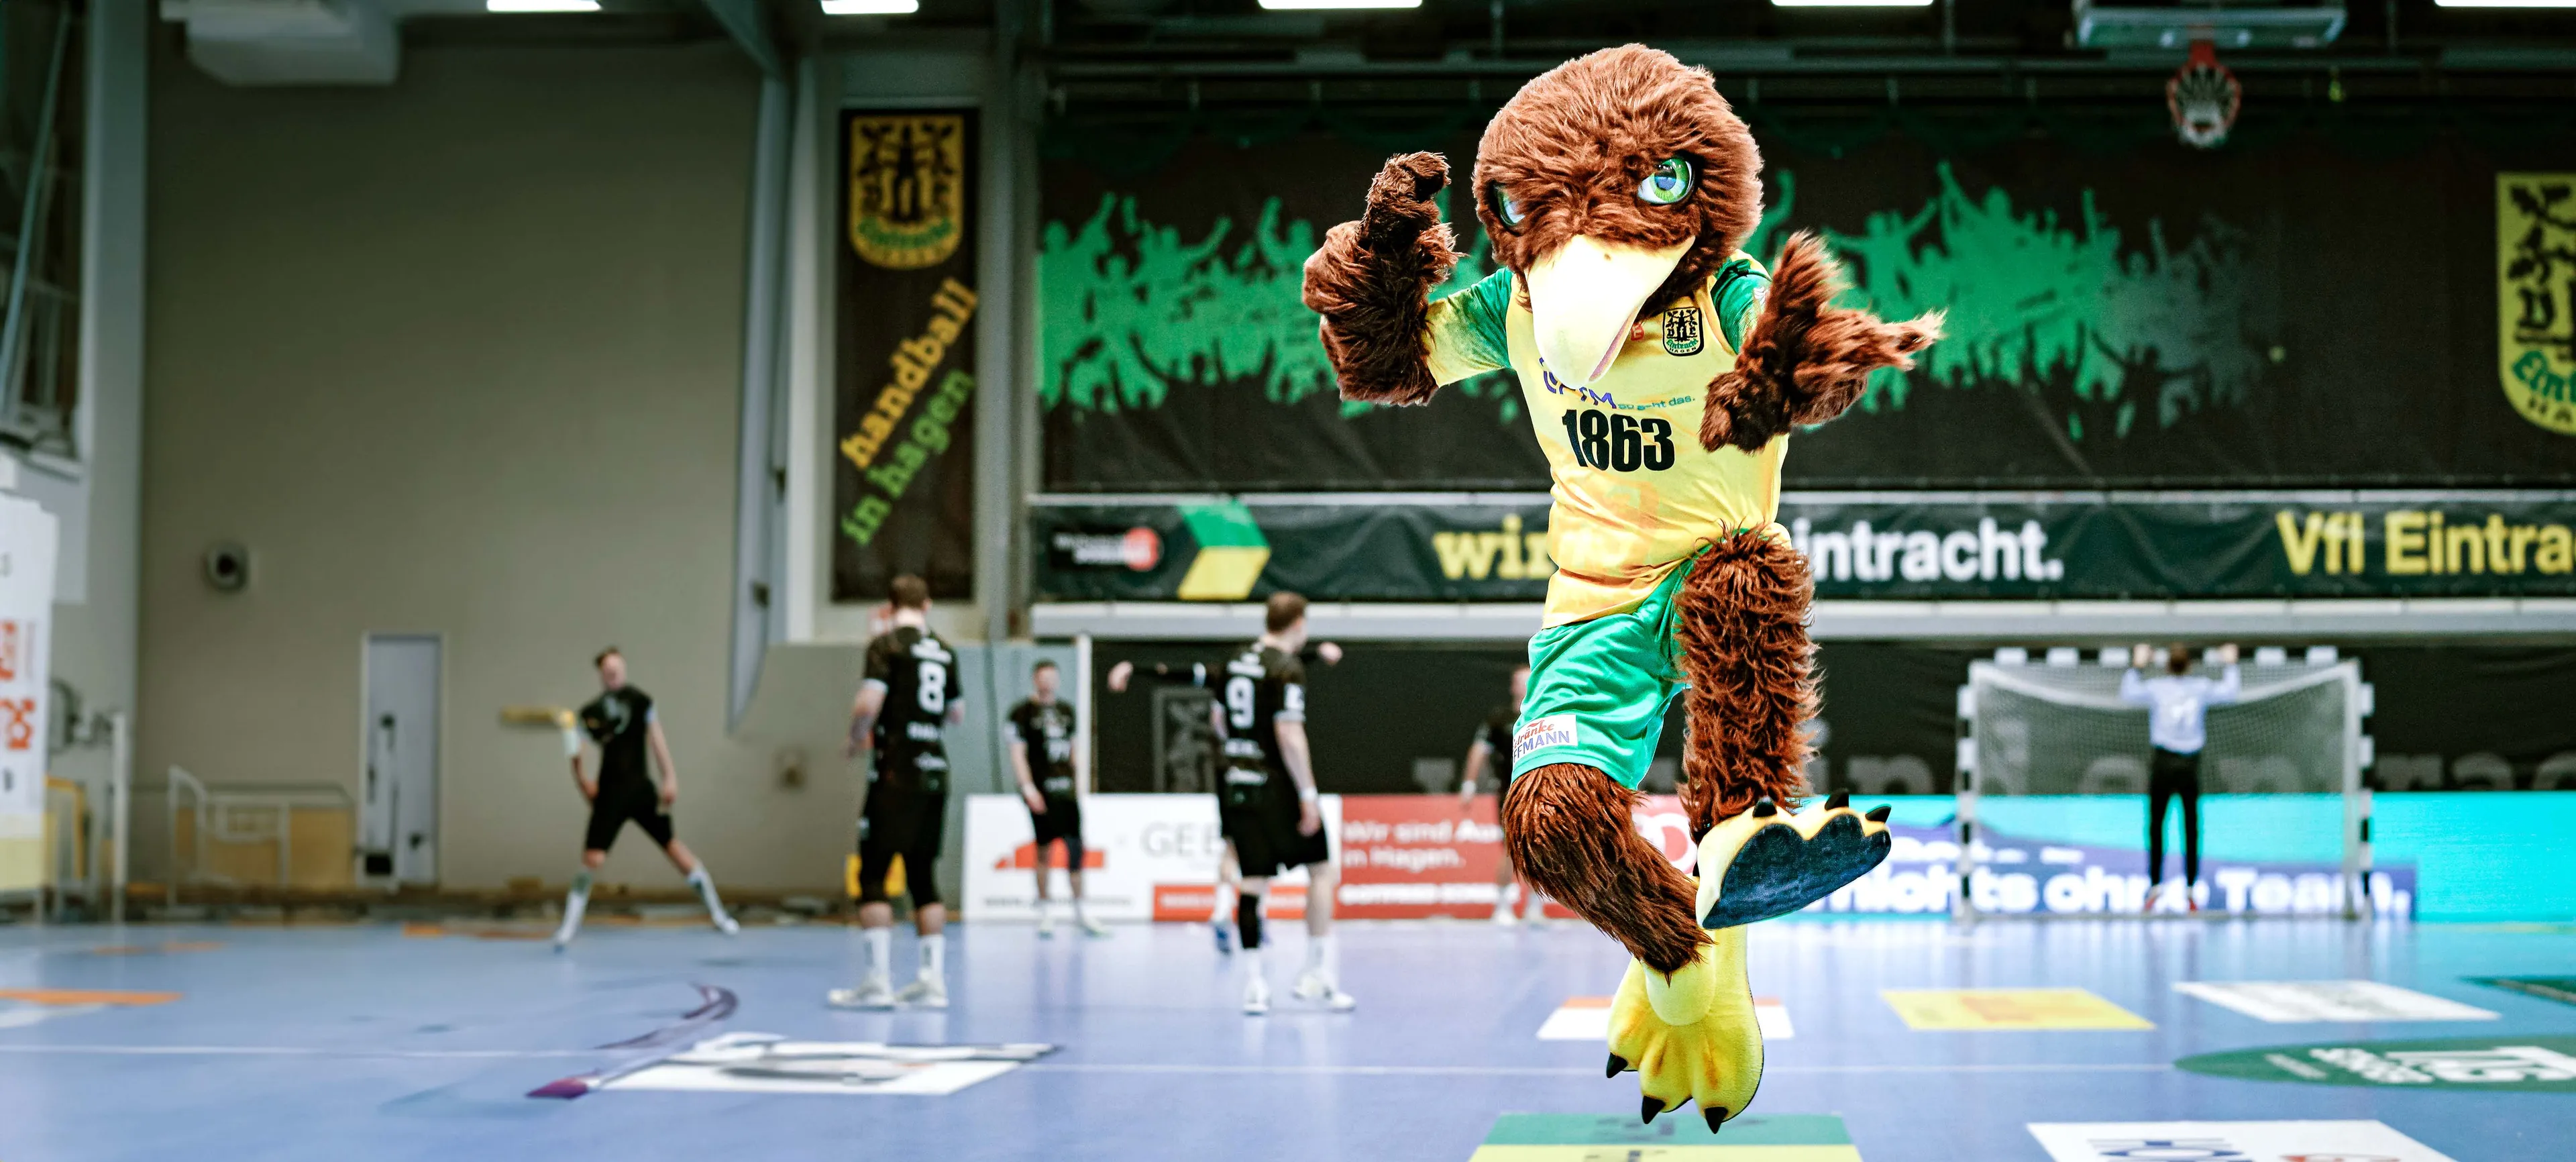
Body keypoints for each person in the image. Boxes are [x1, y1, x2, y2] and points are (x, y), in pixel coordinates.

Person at [1110, 592, 1352, 1014]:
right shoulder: (1288, 668)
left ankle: (1255, 984)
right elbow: (1289, 735)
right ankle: (1315, 972)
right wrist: (1308, 795)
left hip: (1236, 783)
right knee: (1320, 871)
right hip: (1277, 785)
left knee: (1253, 880)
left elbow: (1219, 720)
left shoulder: (1237, 660)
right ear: (1298, 623)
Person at [828, 575, 964, 1009]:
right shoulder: (945, 651)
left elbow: (868, 703)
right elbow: (956, 714)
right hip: (935, 772)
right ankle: (932, 982)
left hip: (894, 775)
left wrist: (855, 738)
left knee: (874, 874)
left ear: (889, 606)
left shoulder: (885, 646)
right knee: (924, 878)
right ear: (927, 605)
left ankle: (877, 982)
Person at [553, 647, 737, 949]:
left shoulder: (642, 702)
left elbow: (657, 741)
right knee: (592, 859)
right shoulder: (590, 713)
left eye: (617, 668)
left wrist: (670, 777)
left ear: (624, 668)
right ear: (601, 674)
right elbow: (577, 751)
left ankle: (718, 914)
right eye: (607, 670)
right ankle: (568, 928)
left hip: (640, 790)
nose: (613, 673)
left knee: (676, 850)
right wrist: (582, 782)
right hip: (609, 793)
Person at [2121, 642, 2242, 912]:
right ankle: (2181, 889)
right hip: (2184, 763)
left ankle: (2165, 888)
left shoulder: (2158, 687)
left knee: (2162, 827)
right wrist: (2230, 664)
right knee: (2186, 828)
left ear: (2167, 666)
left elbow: (2128, 692)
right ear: (2189, 665)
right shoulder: (2200, 687)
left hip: (2168, 762)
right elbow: (2231, 691)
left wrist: (2138, 665)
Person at [1008, 659, 1107, 939]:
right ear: (1035, 680)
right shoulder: (1022, 713)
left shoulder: (1067, 711)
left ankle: (1081, 912)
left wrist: (1080, 784)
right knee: (1043, 851)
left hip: (1067, 793)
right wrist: (1028, 788)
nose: (1049, 682)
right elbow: (1017, 753)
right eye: (1044, 677)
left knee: (1076, 849)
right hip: (1041, 792)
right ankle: (1045, 913)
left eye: (1053, 676)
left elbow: (1075, 751)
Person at [1459, 664, 1545, 925]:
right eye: (1520, 680)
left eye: (1529, 679)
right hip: (1509, 792)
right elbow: (1478, 751)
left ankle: (1534, 907)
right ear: (1513, 686)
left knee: (1540, 848)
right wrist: (1469, 785)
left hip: (1541, 791)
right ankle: (1503, 906)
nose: (1525, 685)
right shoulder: (1499, 719)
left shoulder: (1545, 713)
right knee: (1511, 847)